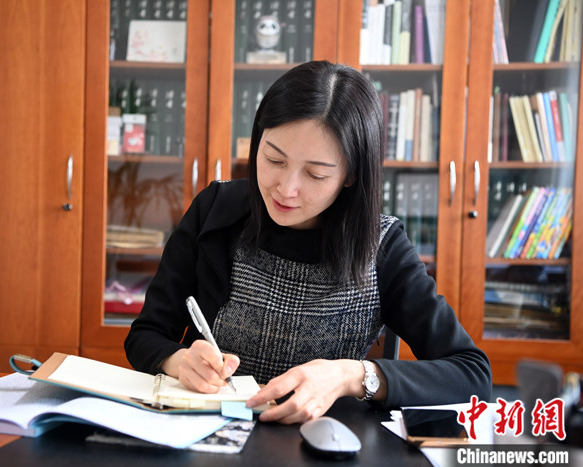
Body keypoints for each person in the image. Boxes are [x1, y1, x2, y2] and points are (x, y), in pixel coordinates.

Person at [124, 60, 492, 425]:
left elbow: (472, 374)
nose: (286, 189)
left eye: (315, 174)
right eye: (274, 159)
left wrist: (351, 376)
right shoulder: (215, 211)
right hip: (209, 432)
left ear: (350, 175)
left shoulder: (381, 245)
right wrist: (178, 361)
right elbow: (146, 335)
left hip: (321, 440)